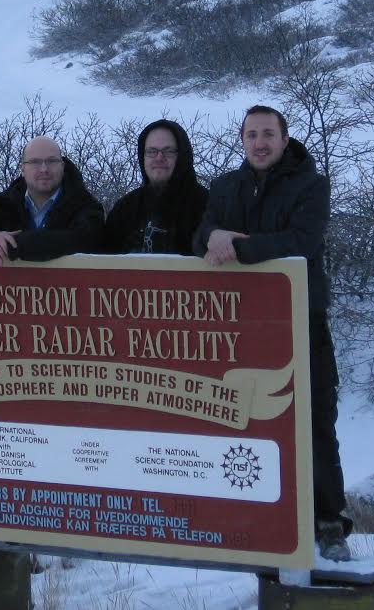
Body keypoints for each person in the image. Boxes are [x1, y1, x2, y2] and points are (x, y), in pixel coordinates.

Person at [193, 105, 352, 562]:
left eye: (268, 134)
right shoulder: (226, 187)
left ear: (285, 139)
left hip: (302, 322)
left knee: (315, 420)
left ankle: (329, 522)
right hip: (239, 326)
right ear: (242, 140)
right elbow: (199, 234)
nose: (259, 142)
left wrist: (235, 246)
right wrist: (214, 234)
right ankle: (255, 515)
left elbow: (300, 242)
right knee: (244, 419)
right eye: (251, 135)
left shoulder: (311, 185)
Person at [0, 136, 104, 264]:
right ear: (22, 168)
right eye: (35, 162)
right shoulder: (4, 203)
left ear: (62, 166)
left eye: (51, 161)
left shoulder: (86, 205)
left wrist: (14, 245)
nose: (44, 169)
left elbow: (82, 241)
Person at [102, 119, 209, 255]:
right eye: (152, 151)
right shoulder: (125, 209)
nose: (159, 158)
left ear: (182, 156)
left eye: (168, 151)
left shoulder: (208, 208)